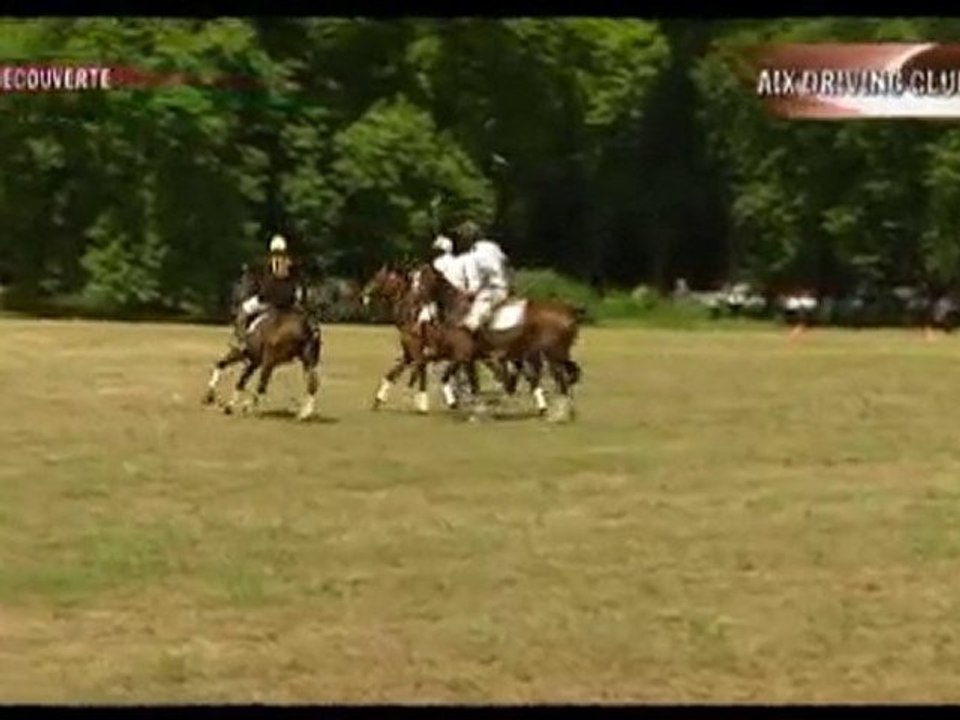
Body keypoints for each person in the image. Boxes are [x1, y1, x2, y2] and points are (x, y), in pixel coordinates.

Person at [234, 234, 304, 342]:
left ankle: (242, 343)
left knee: (243, 312)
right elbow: (298, 284)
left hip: (267, 300)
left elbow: (262, 283)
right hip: (288, 302)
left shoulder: (265, 263)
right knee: (307, 321)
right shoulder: (292, 263)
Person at [455, 220, 511, 335]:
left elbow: (475, 286)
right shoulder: (493, 246)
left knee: (469, 325)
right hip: (505, 287)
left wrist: (465, 293)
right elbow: (505, 262)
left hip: (490, 293)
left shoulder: (472, 256)